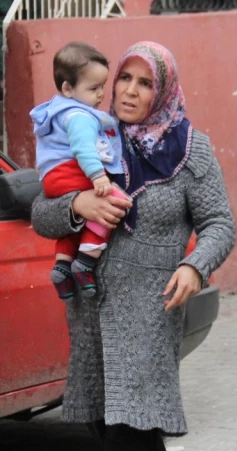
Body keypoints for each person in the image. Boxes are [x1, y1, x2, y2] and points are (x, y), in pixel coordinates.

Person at [31, 41, 236, 451]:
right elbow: (40, 211)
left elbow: (220, 223)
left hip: (153, 303)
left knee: (127, 420)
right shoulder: (90, 134)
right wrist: (79, 206)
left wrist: (196, 267)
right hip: (91, 300)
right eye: (125, 79)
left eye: (145, 83)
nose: (129, 92)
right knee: (111, 416)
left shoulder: (193, 149)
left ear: (163, 90)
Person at [30, 42, 132, 300]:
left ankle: (62, 265)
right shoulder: (80, 116)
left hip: (52, 176)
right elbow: (84, 148)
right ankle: (86, 262)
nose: (100, 95)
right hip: (70, 171)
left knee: (75, 223)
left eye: (103, 87)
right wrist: (99, 176)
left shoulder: (57, 110)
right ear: (68, 88)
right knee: (115, 200)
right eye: (94, 88)